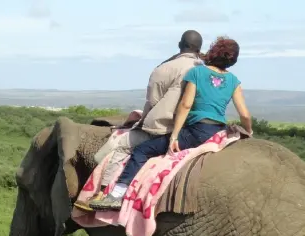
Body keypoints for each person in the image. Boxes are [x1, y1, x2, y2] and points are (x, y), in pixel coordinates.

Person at [89, 36, 252, 211]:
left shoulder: (197, 73)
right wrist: (248, 131)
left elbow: (186, 105)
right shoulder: (234, 81)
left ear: (214, 52)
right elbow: (244, 114)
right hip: (217, 131)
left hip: (196, 132)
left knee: (142, 150)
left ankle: (116, 195)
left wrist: (174, 135)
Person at [82, 31, 205, 205]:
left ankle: (106, 193)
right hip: (195, 129)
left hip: (163, 129)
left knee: (121, 146)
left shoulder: (163, 68)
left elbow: (153, 101)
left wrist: (143, 121)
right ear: (199, 48)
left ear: (180, 44)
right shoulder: (204, 70)